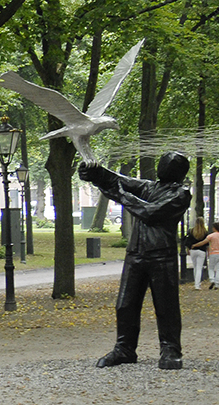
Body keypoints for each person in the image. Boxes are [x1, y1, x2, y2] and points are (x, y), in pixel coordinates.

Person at [79, 153, 192, 369]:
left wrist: (119, 195)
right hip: (135, 253)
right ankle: (125, 348)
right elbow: (119, 180)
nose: (162, 167)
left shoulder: (181, 194)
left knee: (166, 306)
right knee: (125, 304)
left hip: (162, 255)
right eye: (162, 163)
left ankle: (170, 349)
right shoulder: (149, 187)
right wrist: (95, 172)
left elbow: (149, 213)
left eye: (167, 165)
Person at [194, 221, 219, 290]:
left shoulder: (211, 236)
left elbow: (203, 242)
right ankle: (217, 284)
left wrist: (195, 245)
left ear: (214, 228)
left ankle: (212, 280)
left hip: (213, 253)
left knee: (211, 268)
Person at [186, 222, 210, 289]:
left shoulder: (191, 231)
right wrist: (208, 252)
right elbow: (207, 244)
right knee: (199, 268)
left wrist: (188, 249)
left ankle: (196, 282)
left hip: (193, 250)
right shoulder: (205, 232)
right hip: (201, 251)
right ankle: (197, 284)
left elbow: (187, 241)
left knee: (195, 267)